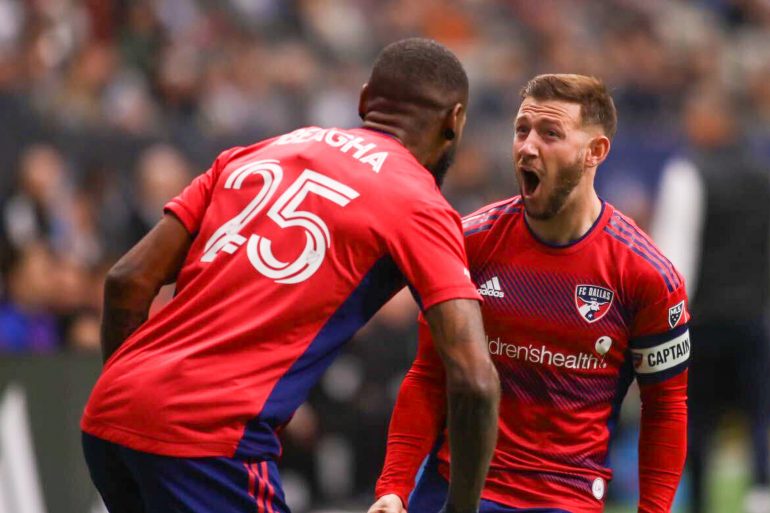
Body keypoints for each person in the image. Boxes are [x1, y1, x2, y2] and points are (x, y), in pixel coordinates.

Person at [80, 38, 500, 513]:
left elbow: (126, 280)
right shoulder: (418, 201)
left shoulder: (256, 152)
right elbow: (473, 380)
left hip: (110, 418)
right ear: (455, 120)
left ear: (364, 101)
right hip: (209, 441)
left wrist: (136, 406)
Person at [370, 74, 689, 513]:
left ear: (595, 152)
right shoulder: (469, 244)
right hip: (455, 492)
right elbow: (428, 375)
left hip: (564, 499)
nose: (527, 146)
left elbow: (666, 407)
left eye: (550, 133)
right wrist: (393, 487)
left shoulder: (647, 275)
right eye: (522, 130)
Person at [651, 85, 770, 513]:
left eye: (698, 115)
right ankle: (761, 496)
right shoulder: (763, 175)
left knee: (698, 419)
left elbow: (675, 259)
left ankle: (699, 503)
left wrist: (668, 320)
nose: (690, 123)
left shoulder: (688, 173)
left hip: (703, 320)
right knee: (758, 414)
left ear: (718, 121)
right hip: (754, 318)